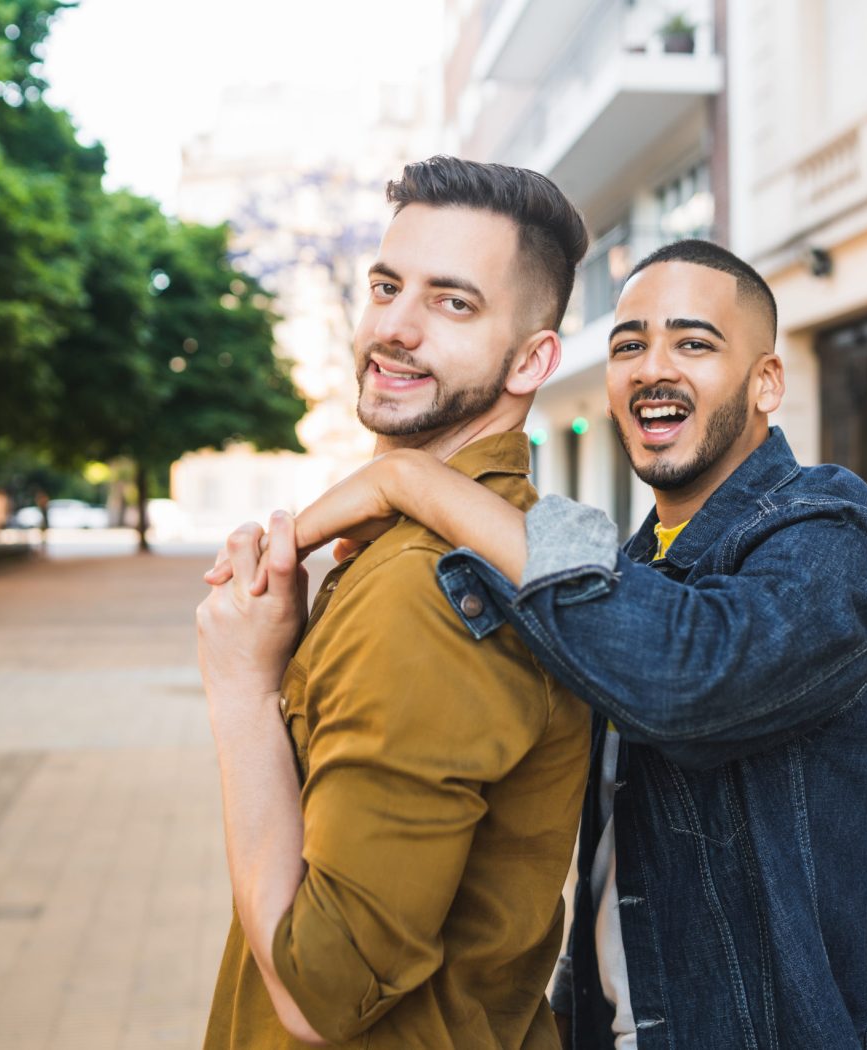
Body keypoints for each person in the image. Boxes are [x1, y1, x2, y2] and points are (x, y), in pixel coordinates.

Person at [289, 239, 867, 1049]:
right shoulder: (625, 573)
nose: (650, 368)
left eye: (693, 343)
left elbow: (689, 676)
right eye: (628, 344)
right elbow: (610, 858)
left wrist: (415, 481)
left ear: (766, 381)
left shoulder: (831, 531)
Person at [196, 156, 593, 1049]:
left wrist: (239, 690)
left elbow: (317, 994)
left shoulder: (432, 585)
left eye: (454, 303)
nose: (395, 328)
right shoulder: (510, 539)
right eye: (387, 285)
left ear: (532, 358)